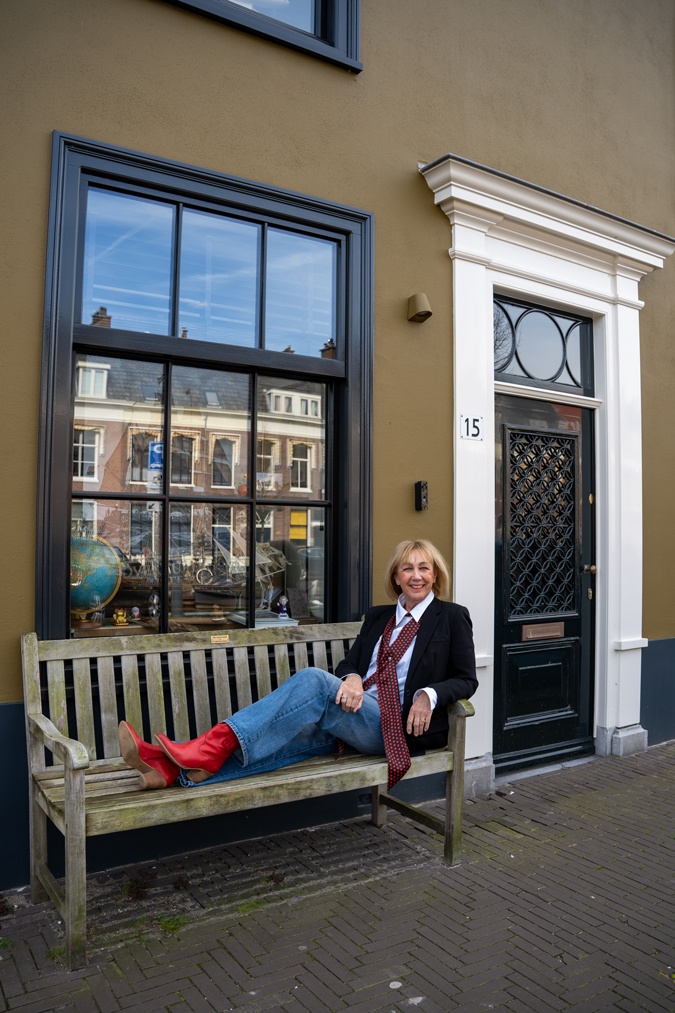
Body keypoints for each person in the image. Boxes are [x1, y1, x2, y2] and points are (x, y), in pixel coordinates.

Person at [118, 539, 478, 792]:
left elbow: (465, 679)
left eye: (423, 568)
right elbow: (351, 662)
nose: (416, 576)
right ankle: (168, 770)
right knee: (282, 743)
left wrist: (428, 695)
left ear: (435, 575)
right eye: (407, 568)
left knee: (315, 682)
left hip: (392, 724)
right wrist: (351, 677)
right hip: (350, 712)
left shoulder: (451, 617)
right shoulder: (379, 616)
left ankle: (208, 746)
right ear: (396, 576)